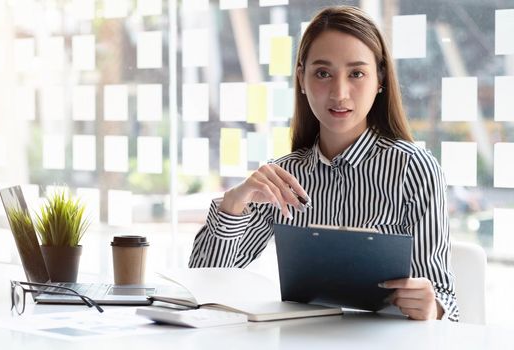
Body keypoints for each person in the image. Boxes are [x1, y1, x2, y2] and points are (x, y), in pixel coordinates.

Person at [188, 5, 458, 321]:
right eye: (322, 73)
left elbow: (445, 302)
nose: (339, 93)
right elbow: (204, 284)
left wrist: (432, 307)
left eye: (356, 73)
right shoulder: (283, 176)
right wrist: (232, 205)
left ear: (380, 79)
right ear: (301, 79)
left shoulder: (414, 169)